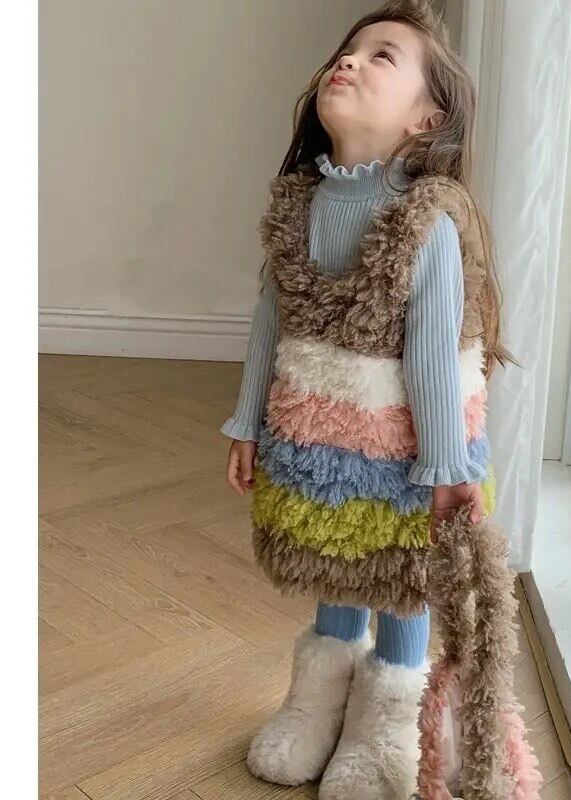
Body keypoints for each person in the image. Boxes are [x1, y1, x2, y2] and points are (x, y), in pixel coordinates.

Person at [220, 1, 514, 797]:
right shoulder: (299, 208)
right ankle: (316, 703)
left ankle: (387, 722)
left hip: (410, 457)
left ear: (427, 119)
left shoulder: (426, 222)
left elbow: (433, 358)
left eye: (382, 56)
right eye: (346, 51)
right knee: (333, 556)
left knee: (399, 576)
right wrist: (247, 421)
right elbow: (271, 321)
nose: (347, 61)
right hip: (319, 449)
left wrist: (446, 468)